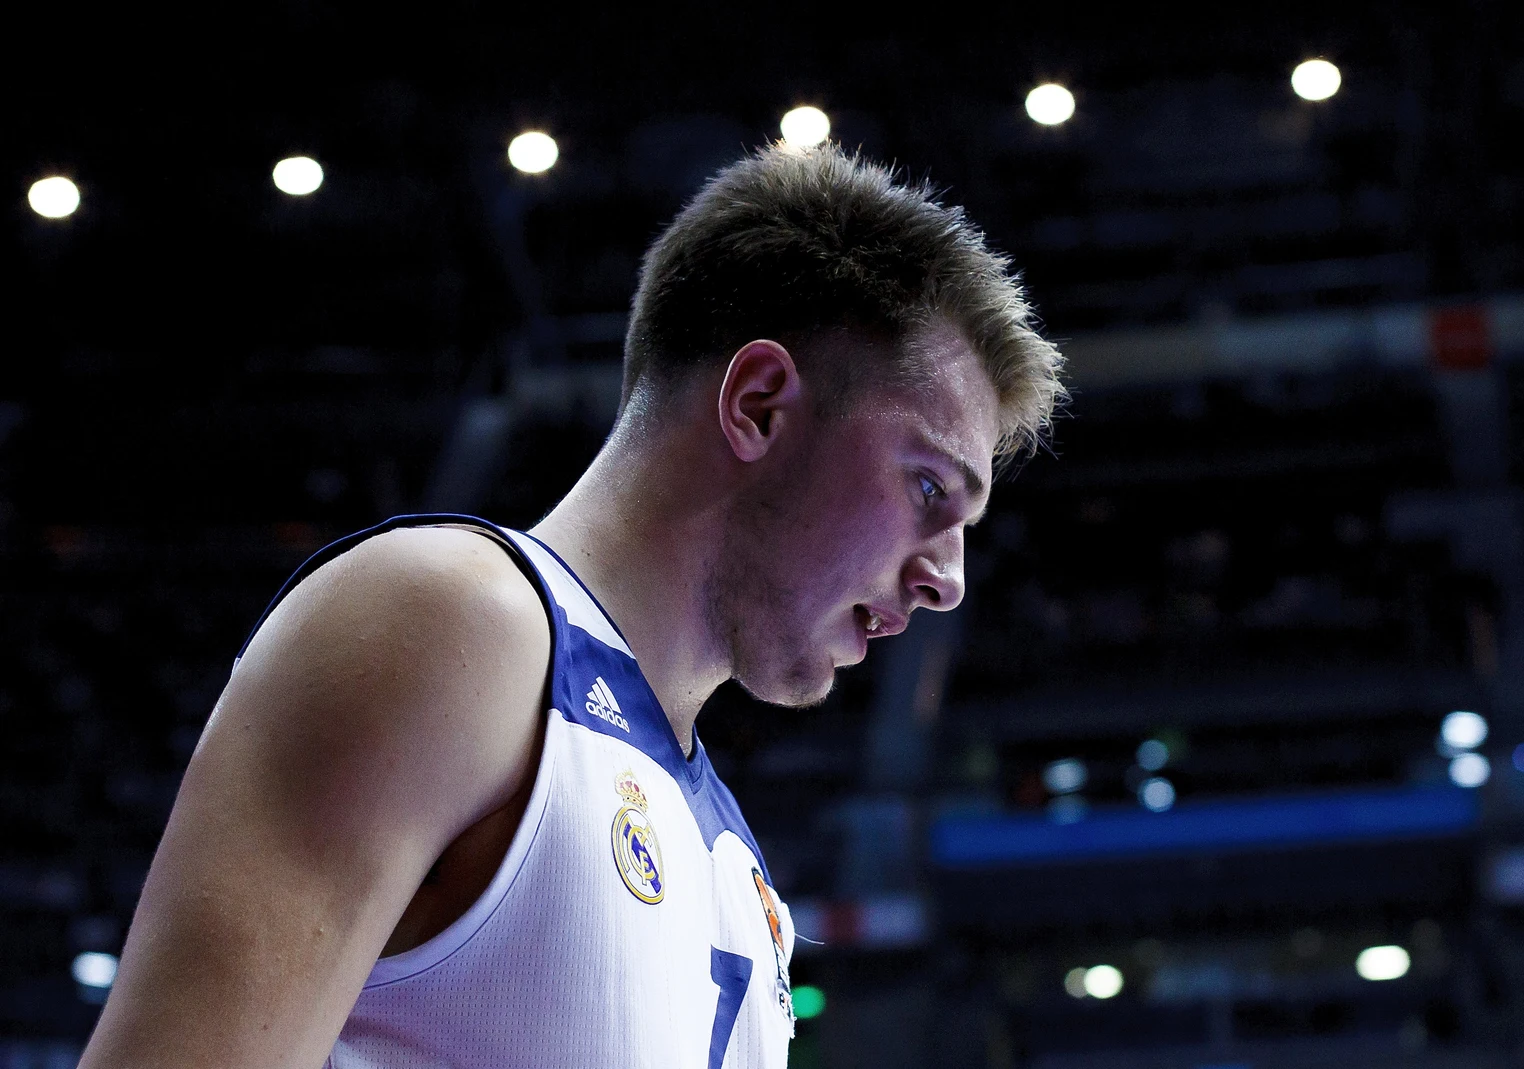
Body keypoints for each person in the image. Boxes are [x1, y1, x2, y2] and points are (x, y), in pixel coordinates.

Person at [79, 144, 1064, 1068]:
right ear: (759, 403)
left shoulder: (737, 866)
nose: (949, 577)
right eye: (929, 488)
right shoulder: (446, 623)